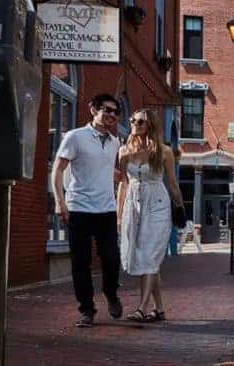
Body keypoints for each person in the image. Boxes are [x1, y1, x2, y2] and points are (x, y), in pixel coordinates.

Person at [52, 93, 124, 328]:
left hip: (106, 209)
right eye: (107, 110)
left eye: (115, 112)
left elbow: (103, 169)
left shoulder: (114, 142)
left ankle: (110, 293)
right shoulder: (75, 137)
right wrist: (59, 201)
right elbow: (58, 169)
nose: (112, 115)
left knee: (112, 258)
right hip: (79, 208)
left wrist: (116, 176)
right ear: (93, 110)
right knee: (80, 262)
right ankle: (87, 309)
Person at [117, 108, 185, 322]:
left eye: (140, 122)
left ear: (151, 126)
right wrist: (119, 215)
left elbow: (172, 184)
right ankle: (160, 309)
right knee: (145, 258)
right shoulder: (124, 151)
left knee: (149, 257)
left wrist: (181, 208)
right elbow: (123, 184)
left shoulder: (164, 152)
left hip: (158, 205)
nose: (135, 124)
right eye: (133, 120)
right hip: (134, 206)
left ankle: (142, 308)